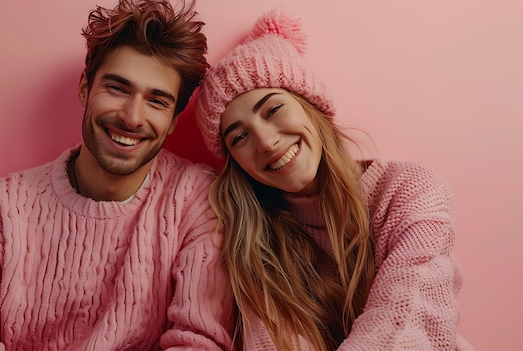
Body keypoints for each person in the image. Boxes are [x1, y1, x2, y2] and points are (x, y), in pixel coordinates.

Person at [0, 1, 235, 350]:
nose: (132, 117)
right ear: (85, 87)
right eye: (117, 88)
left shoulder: (198, 202)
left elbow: (198, 343)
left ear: (174, 120)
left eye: (157, 101)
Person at [195, 9, 472, 351]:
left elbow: (409, 316)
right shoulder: (253, 239)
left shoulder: (412, 191)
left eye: (274, 110)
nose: (266, 142)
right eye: (239, 138)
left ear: (312, 106)